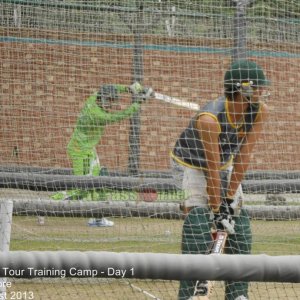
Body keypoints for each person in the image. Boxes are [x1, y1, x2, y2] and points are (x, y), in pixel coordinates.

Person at [170, 59, 270, 300]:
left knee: (239, 222)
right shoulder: (209, 119)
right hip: (190, 165)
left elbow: (243, 157)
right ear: (243, 88)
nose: (262, 91)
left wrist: (227, 201)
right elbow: (210, 169)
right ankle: (189, 294)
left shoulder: (259, 111)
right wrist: (216, 209)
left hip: (225, 164)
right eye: (258, 87)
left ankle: (238, 294)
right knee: (199, 220)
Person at [52, 82, 152, 202]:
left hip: (89, 149)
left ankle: (98, 216)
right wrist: (139, 102)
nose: (111, 103)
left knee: (100, 177)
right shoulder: (96, 115)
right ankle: (48, 204)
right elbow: (117, 117)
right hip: (80, 151)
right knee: (82, 190)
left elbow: (110, 87)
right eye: (109, 100)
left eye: (111, 100)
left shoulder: (94, 97)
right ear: (102, 98)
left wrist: (129, 89)